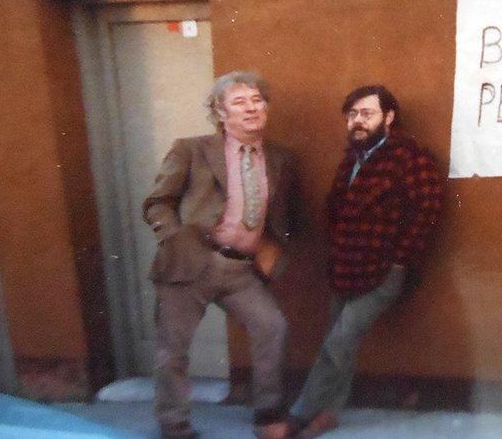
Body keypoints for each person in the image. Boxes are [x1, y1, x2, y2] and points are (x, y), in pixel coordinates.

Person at [143, 71, 300, 439]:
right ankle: (174, 423)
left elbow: (287, 217)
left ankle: (268, 415)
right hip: (190, 264)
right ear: (219, 111)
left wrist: (274, 251)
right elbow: (157, 203)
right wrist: (174, 238)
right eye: (240, 102)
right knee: (173, 349)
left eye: (257, 100)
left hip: (241, 270)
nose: (251, 108)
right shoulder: (192, 149)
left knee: (272, 328)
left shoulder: (280, 158)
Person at [280, 84, 444, 438]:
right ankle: (330, 413)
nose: (357, 121)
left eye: (366, 114)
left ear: (388, 117)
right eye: (352, 114)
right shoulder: (353, 158)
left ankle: (299, 415)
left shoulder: (411, 157)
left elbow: (427, 213)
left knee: (338, 342)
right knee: (341, 341)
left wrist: (400, 262)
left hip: (383, 271)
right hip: (346, 268)